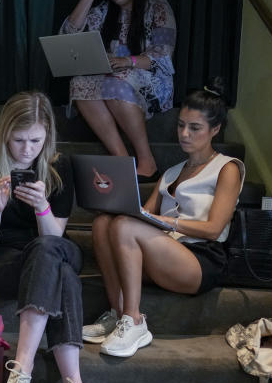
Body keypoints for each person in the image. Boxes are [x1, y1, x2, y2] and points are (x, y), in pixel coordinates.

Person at [0, 91, 95, 383]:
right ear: (5, 133)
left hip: (49, 250)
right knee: (63, 272)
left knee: (48, 250)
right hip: (5, 261)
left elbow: (55, 235)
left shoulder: (58, 167)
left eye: (35, 140)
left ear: (47, 135)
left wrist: (42, 207)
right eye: (18, 140)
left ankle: (20, 372)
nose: (26, 149)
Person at [83, 83, 244, 357]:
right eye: (181, 125)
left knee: (123, 225)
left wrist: (166, 222)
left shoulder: (227, 168)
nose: (184, 133)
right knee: (103, 223)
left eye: (195, 128)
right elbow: (141, 216)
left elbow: (214, 229)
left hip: (200, 259)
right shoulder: (171, 172)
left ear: (215, 130)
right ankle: (117, 312)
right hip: (164, 253)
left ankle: (134, 321)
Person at [61, 0, 176, 179]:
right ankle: (124, 163)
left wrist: (128, 61)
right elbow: (69, 34)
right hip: (112, 74)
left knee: (115, 82)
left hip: (149, 77)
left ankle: (147, 161)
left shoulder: (157, 9)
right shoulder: (105, 11)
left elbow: (163, 54)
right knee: (80, 84)